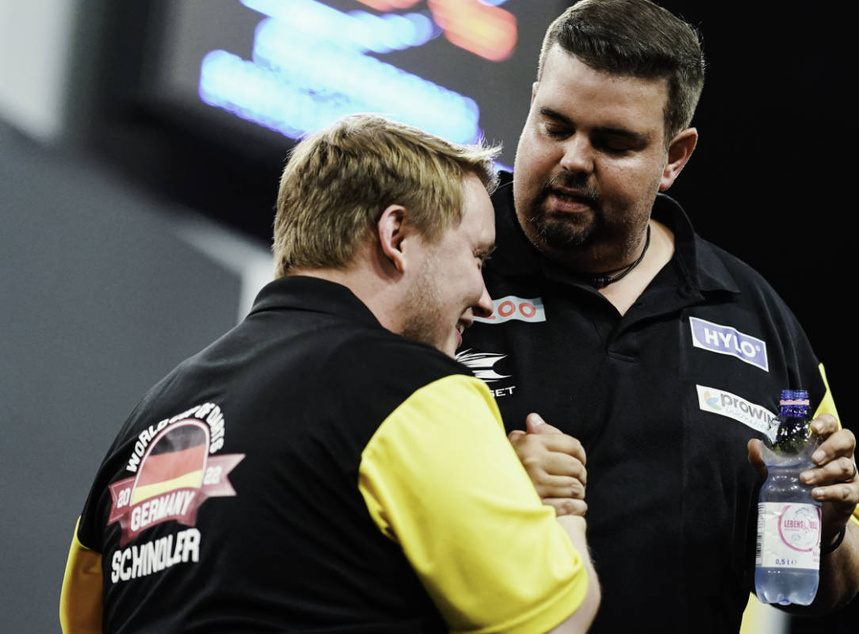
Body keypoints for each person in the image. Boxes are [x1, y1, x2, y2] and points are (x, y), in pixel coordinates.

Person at [59, 114, 601, 633]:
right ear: (397, 237)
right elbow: (553, 619)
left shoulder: (151, 416)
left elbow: (82, 621)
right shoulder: (414, 390)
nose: (485, 298)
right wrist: (556, 506)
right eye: (478, 257)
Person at [457, 1, 859, 631]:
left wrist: (822, 532)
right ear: (534, 100)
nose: (574, 158)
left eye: (612, 142)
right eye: (554, 125)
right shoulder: (445, 254)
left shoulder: (761, 321)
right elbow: (325, 463)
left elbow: (836, 579)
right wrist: (479, 487)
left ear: (675, 157)